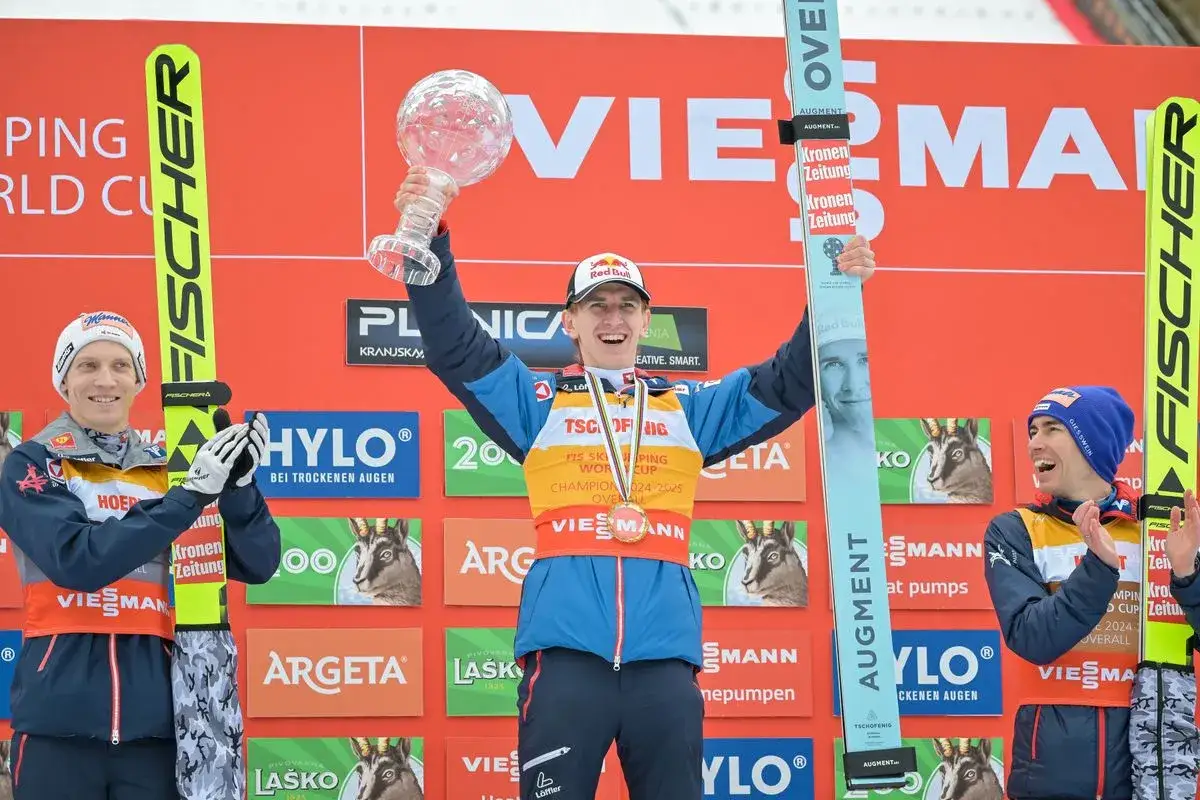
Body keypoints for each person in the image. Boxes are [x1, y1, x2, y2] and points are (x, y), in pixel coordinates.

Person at [390, 165, 876, 800]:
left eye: (627, 305)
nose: (612, 318)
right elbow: (455, 347)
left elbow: (786, 381)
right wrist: (431, 240)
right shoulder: (537, 404)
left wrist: (836, 292)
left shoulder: (689, 411)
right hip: (565, 663)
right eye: (597, 305)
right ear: (569, 321)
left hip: (664, 666)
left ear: (648, 321)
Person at [0, 311, 282, 800]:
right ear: (63, 380)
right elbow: (78, 561)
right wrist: (189, 497)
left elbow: (258, 564)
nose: (104, 380)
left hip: (159, 729)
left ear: (139, 381)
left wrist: (237, 488)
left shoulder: (170, 471)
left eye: (120, 366)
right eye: (87, 365)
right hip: (57, 731)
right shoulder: (33, 462)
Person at [983, 385, 1200, 800]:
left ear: (1092, 443)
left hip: (1150, 766)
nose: (1034, 444)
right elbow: (1033, 637)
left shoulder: (1159, 527)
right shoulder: (1014, 529)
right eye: (1032, 430)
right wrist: (1099, 570)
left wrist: (1188, 573)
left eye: (1051, 429)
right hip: (1050, 771)